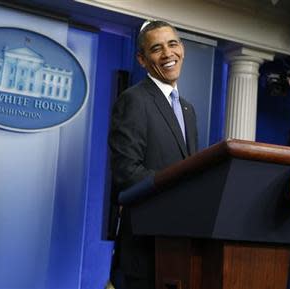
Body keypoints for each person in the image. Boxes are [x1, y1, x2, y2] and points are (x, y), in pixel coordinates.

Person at [108, 20, 198, 289]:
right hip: (144, 249)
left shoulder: (187, 110)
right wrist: (179, 192)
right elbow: (127, 172)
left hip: (178, 245)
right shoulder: (134, 99)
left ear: (182, 48)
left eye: (173, 44)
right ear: (142, 59)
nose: (168, 54)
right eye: (156, 49)